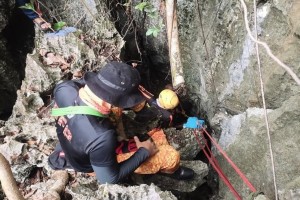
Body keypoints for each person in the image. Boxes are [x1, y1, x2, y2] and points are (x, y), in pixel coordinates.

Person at [49, 61, 194, 184]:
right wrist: (144, 152)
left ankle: (136, 123)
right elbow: (108, 178)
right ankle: (173, 172)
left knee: (117, 111)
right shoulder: (102, 136)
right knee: (170, 156)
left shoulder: (64, 88)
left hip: (78, 137)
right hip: (92, 161)